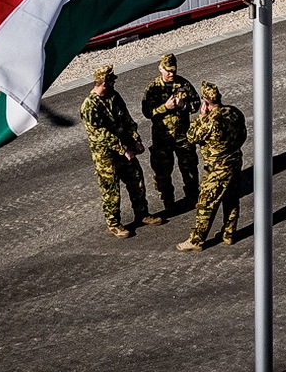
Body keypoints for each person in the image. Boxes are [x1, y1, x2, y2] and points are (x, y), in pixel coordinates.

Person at [81, 65, 162, 238]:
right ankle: (114, 223)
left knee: (137, 180)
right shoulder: (89, 106)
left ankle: (142, 214)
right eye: (111, 80)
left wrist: (136, 139)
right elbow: (100, 135)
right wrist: (123, 149)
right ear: (103, 82)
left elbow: (126, 119)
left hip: (125, 149)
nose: (114, 82)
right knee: (111, 190)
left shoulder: (114, 96)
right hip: (106, 156)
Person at [176, 81, 246, 252]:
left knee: (206, 203)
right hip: (235, 162)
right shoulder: (234, 112)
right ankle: (229, 233)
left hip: (217, 169)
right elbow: (243, 135)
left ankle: (196, 240)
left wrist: (201, 117)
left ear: (205, 102)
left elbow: (191, 136)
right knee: (231, 198)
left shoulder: (210, 122)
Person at [141, 53, 201, 213]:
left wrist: (183, 106)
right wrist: (165, 108)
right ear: (160, 68)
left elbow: (196, 104)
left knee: (189, 168)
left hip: (183, 136)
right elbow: (147, 112)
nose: (171, 74)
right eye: (167, 70)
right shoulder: (153, 88)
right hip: (162, 138)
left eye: (173, 70)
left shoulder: (183, 84)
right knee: (162, 172)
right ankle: (168, 201)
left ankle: (193, 196)